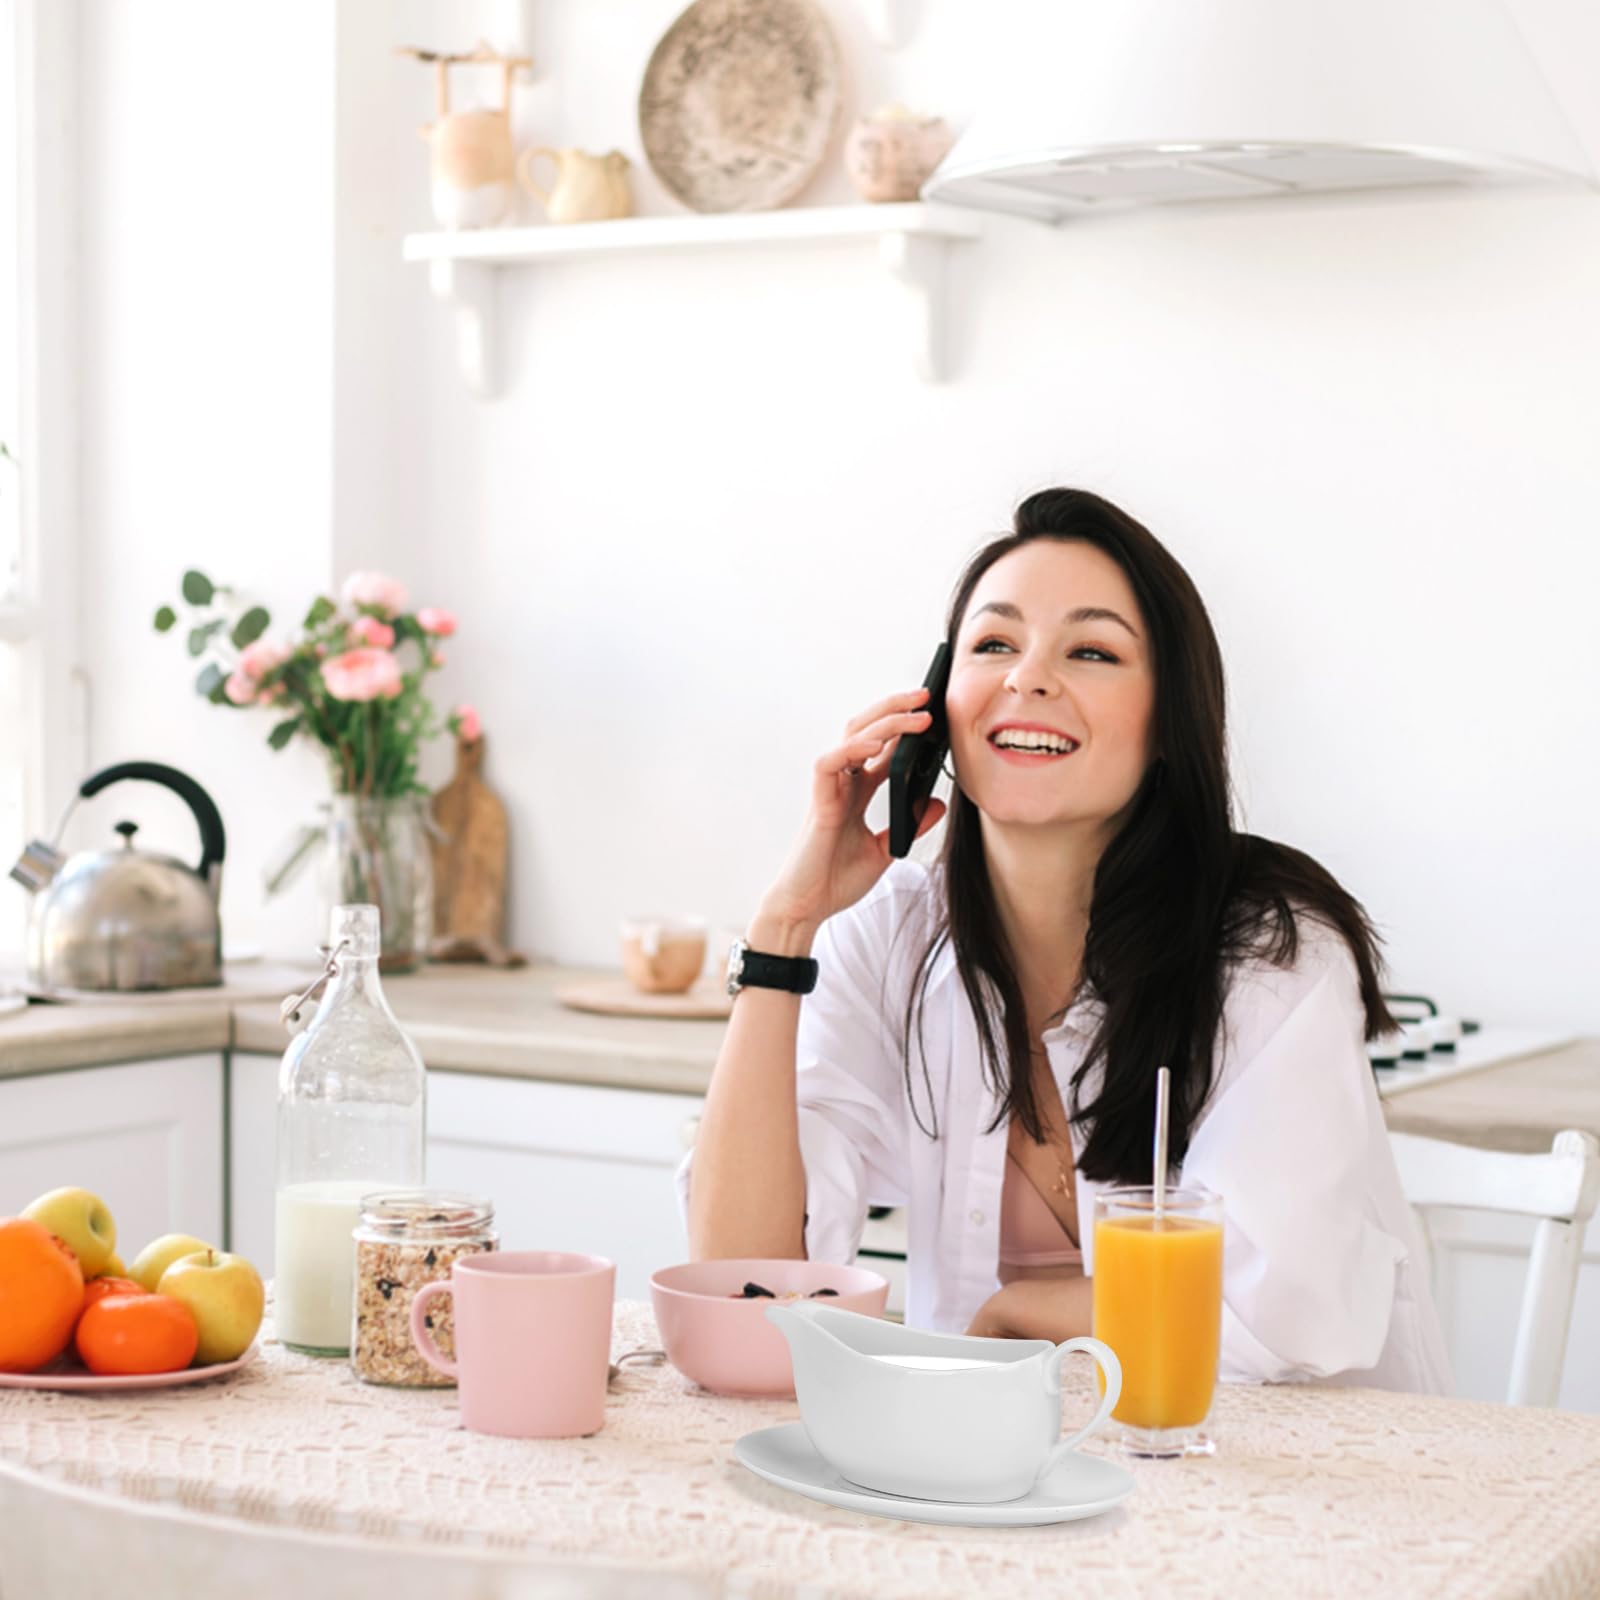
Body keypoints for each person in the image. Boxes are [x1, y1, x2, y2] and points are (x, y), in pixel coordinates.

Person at [679, 486, 1451, 1393]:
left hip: (1269, 1480)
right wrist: (784, 931)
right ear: (936, 708)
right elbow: (749, 1282)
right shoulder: (890, 932)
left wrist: (1020, 1315)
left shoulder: (1267, 951)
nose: (1028, 678)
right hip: (992, 1483)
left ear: (1169, 723)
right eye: (994, 644)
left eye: (1091, 651)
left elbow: (1282, 1310)